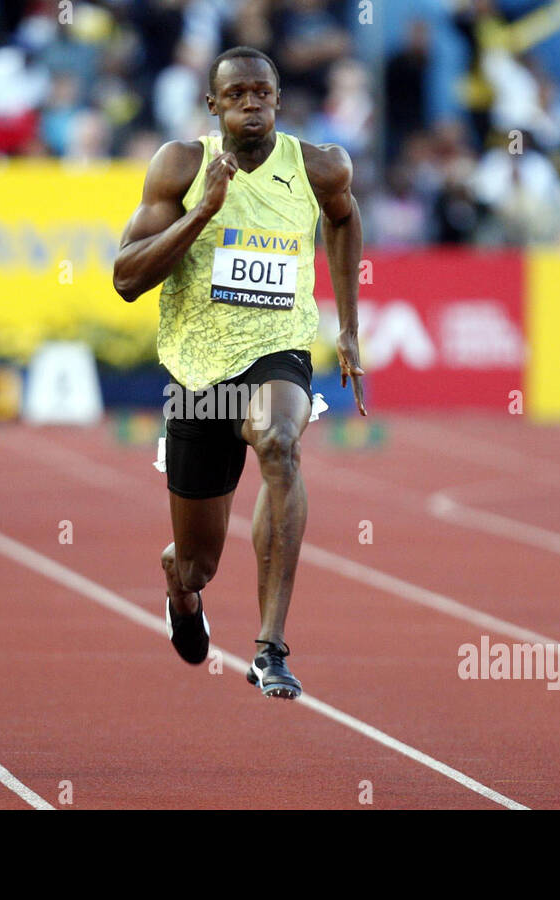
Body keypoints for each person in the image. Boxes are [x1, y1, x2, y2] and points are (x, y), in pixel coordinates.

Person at [113, 46, 365, 700]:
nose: (251, 103)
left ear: (279, 99)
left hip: (277, 348)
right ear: (213, 105)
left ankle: (269, 646)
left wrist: (347, 326)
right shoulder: (180, 166)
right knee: (197, 562)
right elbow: (126, 280)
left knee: (280, 444)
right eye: (237, 94)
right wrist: (202, 213)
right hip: (196, 373)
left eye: (262, 92)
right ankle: (180, 591)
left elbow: (343, 220)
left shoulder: (321, 166)